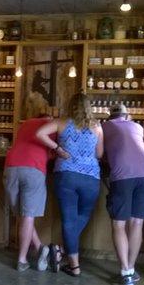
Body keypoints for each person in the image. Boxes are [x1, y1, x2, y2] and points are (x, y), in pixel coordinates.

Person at [36, 93, 103, 277]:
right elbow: (99, 154)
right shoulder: (97, 127)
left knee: (68, 220)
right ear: (89, 107)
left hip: (66, 175)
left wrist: (57, 148)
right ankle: (67, 257)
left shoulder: (61, 122)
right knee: (82, 216)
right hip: (91, 177)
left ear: (70, 105)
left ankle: (70, 262)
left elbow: (39, 133)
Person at [102, 104, 144, 284]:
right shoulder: (138, 127)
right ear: (127, 116)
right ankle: (131, 270)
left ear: (111, 116)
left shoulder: (105, 127)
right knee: (137, 223)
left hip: (124, 173)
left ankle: (125, 272)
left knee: (118, 224)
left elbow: (100, 153)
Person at [4, 115, 54, 272]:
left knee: (21, 213)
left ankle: (40, 247)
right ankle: (22, 260)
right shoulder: (52, 126)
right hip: (33, 168)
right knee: (28, 215)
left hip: (11, 166)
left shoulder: (25, 123)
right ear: (50, 117)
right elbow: (55, 151)